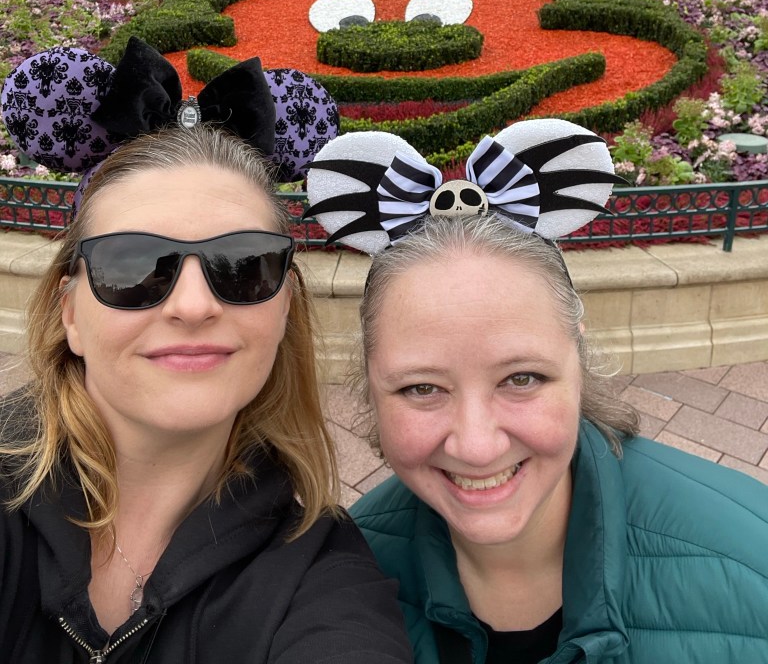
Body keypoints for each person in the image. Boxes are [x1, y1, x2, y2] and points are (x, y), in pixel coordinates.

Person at [304, 119, 768, 664]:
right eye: (422, 388)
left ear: (579, 353)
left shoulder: (752, 566)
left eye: (521, 379)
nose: (477, 446)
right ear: (370, 384)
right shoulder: (338, 581)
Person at [0, 125, 413, 662]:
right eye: (132, 265)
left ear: (285, 307)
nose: (193, 307)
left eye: (244, 265)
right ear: (70, 313)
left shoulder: (323, 578)